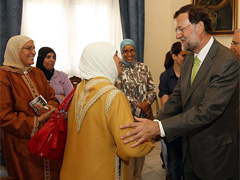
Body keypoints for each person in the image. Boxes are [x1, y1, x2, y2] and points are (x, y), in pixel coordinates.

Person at [120, 4, 239, 180]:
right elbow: (177, 98)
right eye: (177, 30)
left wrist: (158, 128)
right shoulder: (189, 58)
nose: (177, 35)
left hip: (215, 157)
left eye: (181, 29)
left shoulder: (227, 62)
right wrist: (154, 124)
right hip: (189, 151)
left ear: (199, 27)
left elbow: (206, 111)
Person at [60, 42, 154, 180]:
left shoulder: (80, 88)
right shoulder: (114, 96)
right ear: (102, 60)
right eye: (115, 55)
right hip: (104, 172)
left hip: (74, 171)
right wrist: (150, 137)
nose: (120, 59)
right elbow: (129, 147)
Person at [0, 35, 61, 180]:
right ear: (15, 51)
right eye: (28, 48)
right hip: (20, 143)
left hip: (47, 138)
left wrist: (49, 109)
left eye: (34, 48)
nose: (34, 52)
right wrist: (37, 120)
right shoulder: (4, 76)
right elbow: (4, 115)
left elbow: (52, 98)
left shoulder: (37, 73)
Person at [115, 38, 156, 180]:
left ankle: (138, 177)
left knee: (142, 149)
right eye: (125, 51)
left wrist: (148, 102)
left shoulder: (143, 68)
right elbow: (119, 93)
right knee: (130, 150)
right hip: (127, 117)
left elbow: (152, 89)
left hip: (143, 118)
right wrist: (139, 104)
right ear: (121, 53)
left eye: (131, 50)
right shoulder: (119, 71)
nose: (129, 54)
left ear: (135, 51)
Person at [158, 42, 188, 180]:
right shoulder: (165, 76)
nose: (187, 58)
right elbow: (166, 105)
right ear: (174, 56)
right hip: (173, 128)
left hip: (190, 126)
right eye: (183, 55)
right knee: (174, 165)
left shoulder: (192, 73)